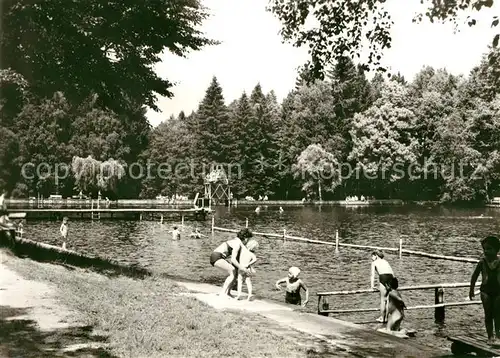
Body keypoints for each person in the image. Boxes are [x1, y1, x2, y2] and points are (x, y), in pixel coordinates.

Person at [470, 236, 500, 345]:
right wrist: (471, 290)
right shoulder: (482, 262)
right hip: (485, 291)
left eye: (489, 249)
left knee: (497, 314)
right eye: (485, 249)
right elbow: (474, 277)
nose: (486, 251)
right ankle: (490, 336)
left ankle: (498, 336)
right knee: (488, 314)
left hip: (498, 291)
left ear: (497, 250)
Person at [210, 228, 253, 296]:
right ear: (245, 238)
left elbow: (237, 260)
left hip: (218, 256)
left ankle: (228, 293)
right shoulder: (237, 244)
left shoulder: (237, 242)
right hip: (217, 256)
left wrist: (242, 267)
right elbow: (233, 260)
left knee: (234, 272)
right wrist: (243, 268)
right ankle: (223, 293)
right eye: (249, 240)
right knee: (232, 271)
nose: (248, 242)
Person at [370, 250, 395, 323]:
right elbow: (392, 273)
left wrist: (372, 286)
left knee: (382, 300)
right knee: (387, 299)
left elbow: (372, 275)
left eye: (372, 256)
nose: (371, 258)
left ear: (376, 256)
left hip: (383, 277)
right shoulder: (385, 261)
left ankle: (382, 317)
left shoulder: (374, 262)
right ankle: (386, 318)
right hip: (390, 278)